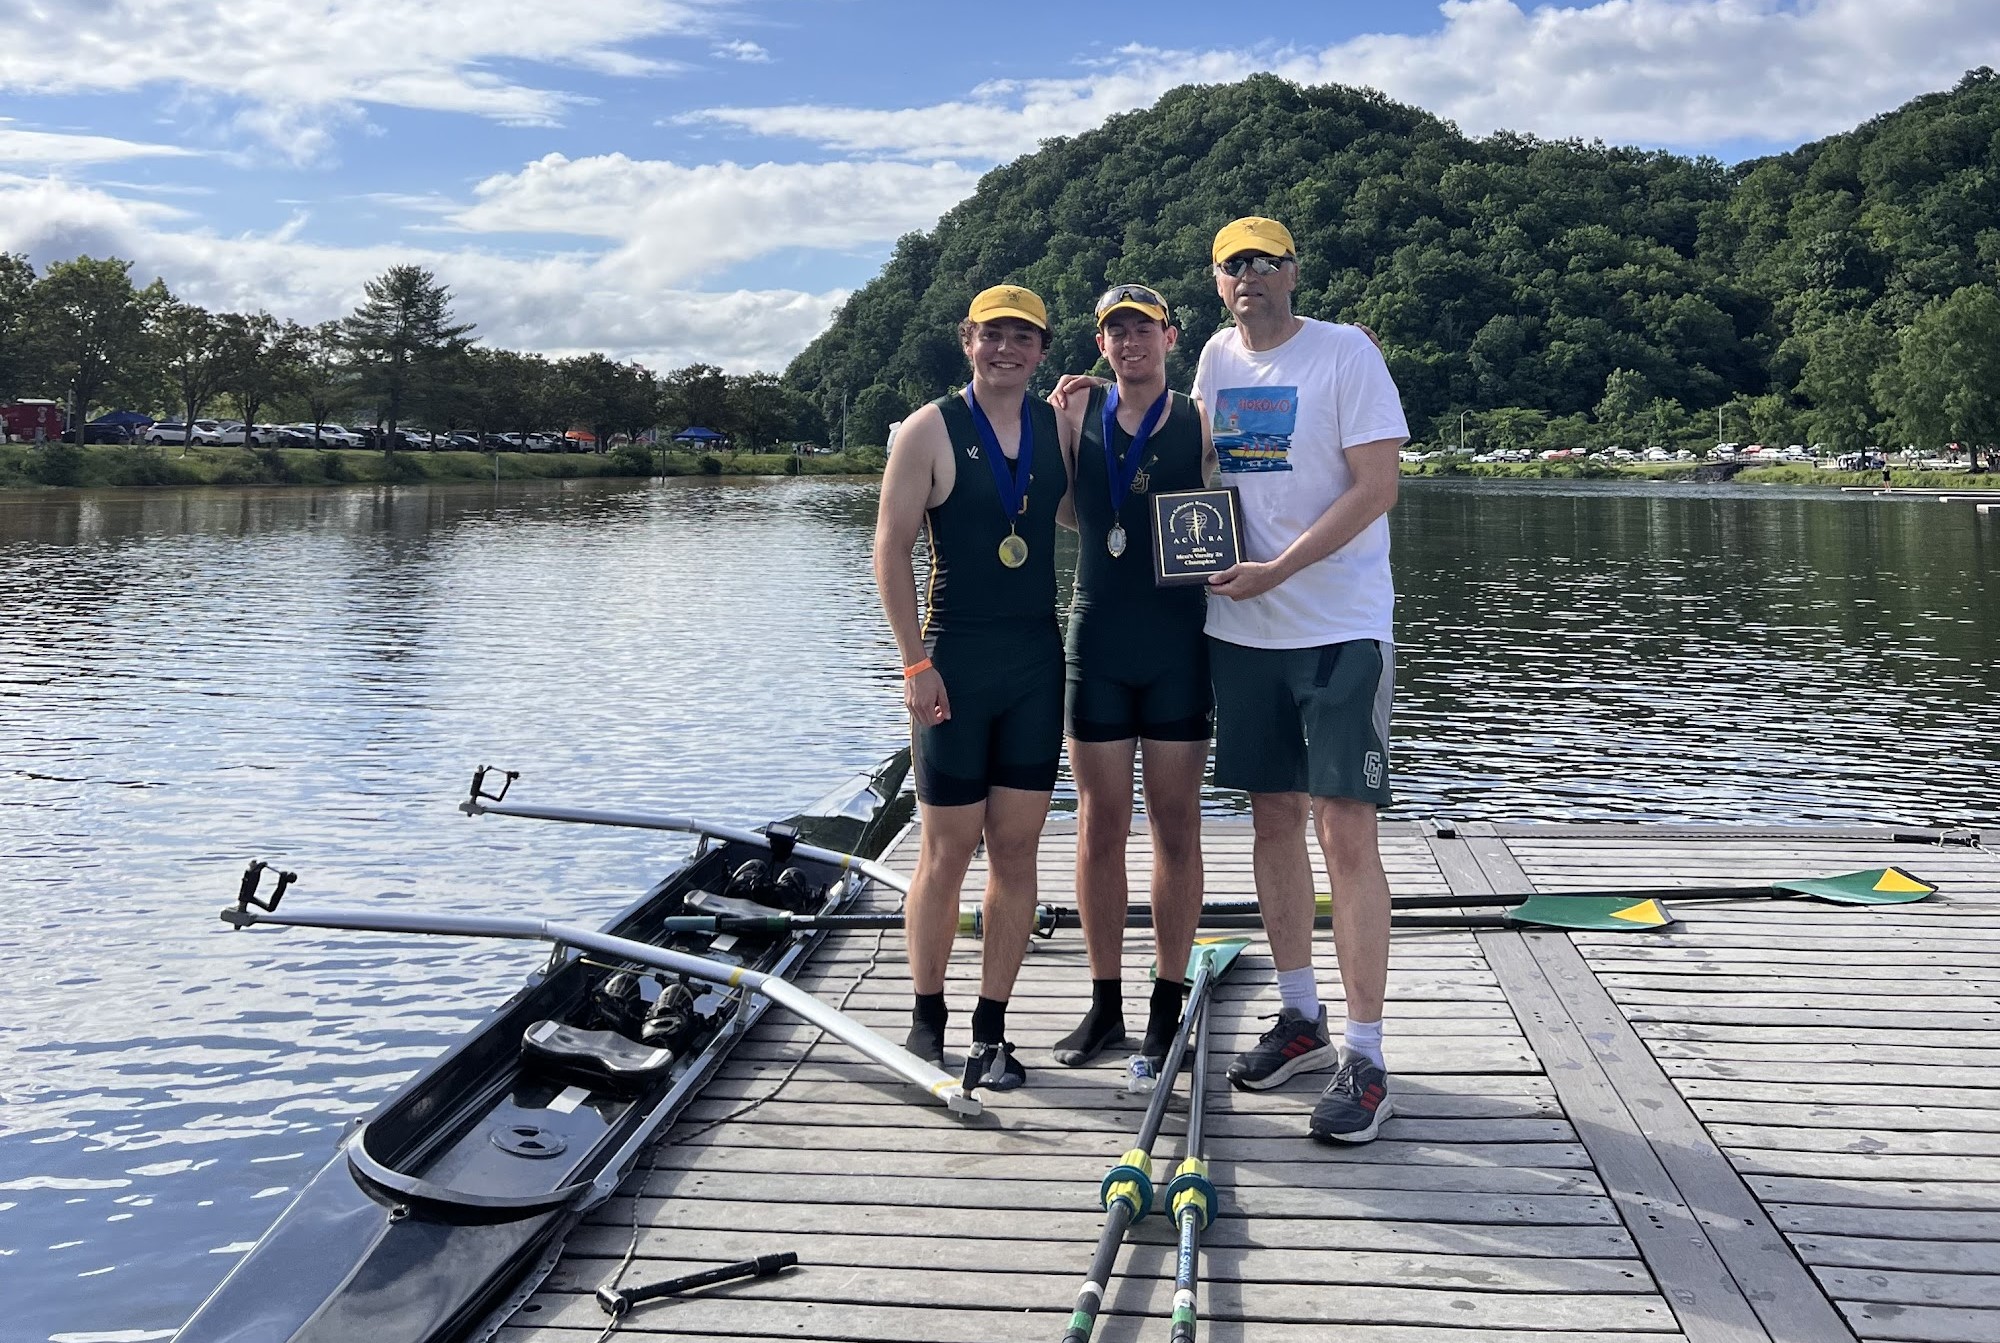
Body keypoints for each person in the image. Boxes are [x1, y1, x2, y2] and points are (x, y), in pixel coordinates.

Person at [1193, 216, 1410, 1144]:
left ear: (1292, 270)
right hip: (1239, 629)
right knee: (1273, 817)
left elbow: (1376, 487)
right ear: (1217, 282)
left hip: (1337, 627)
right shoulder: (1211, 357)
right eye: (1232, 264)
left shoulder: (1345, 355)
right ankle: (1301, 1016)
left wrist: (1279, 567)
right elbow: (1199, 467)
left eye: (1264, 261)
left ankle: (1366, 1053)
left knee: (1345, 828)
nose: (1249, 276)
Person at [872, 284, 1069, 1093]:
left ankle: (992, 1027)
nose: (1006, 350)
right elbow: (888, 552)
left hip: (1035, 668)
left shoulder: (1061, 427)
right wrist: (916, 664)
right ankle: (927, 1018)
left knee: (1017, 850)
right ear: (968, 341)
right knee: (946, 850)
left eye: (1022, 338)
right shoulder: (928, 429)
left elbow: (1116, 493)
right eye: (993, 336)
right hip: (953, 665)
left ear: (1042, 353)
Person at [1048, 283, 1216, 1080]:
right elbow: (1053, 507)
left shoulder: (1197, 415)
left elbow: (1249, 494)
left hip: (1179, 642)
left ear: (1170, 337)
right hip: (1098, 638)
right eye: (1115, 329)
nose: (1129, 340)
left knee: (1175, 825)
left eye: (1142, 327)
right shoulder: (1073, 414)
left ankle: (1167, 1003)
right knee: (1098, 822)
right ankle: (1106, 1002)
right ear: (1101, 343)